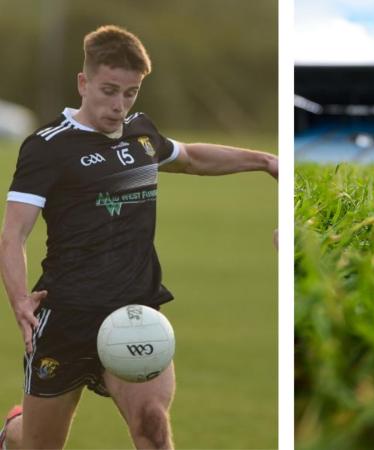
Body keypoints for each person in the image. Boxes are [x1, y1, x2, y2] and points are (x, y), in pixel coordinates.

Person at [0, 25, 278, 450]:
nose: (119, 105)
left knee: (153, 430)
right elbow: (13, 233)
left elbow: (191, 158)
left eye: (130, 93)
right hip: (67, 316)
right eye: (109, 91)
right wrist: (19, 298)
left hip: (135, 314)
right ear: (84, 82)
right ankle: (12, 432)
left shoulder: (140, 133)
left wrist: (264, 160)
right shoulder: (47, 147)